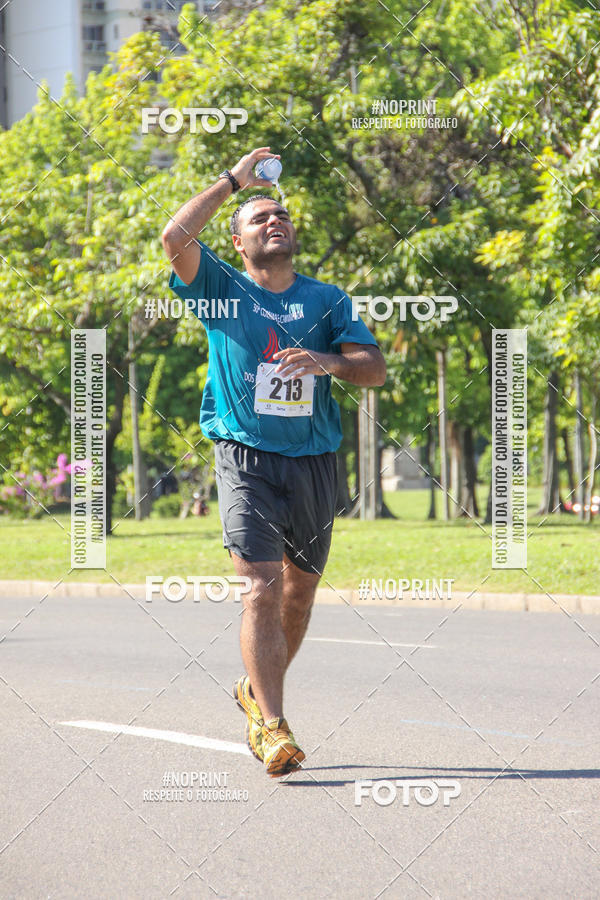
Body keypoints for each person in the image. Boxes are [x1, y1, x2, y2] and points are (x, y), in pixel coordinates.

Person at [162, 146, 386, 777]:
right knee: (259, 585)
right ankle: (274, 726)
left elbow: (373, 370)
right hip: (243, 456)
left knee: (300, 591)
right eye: (259, 218)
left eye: (280, 215)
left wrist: (330, 362)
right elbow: (173, 235)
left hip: (314, 460)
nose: (274, 221)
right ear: (236, 241)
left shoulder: (327, 300)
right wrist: (237, 181)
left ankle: (255, 692)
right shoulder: (218, 287)